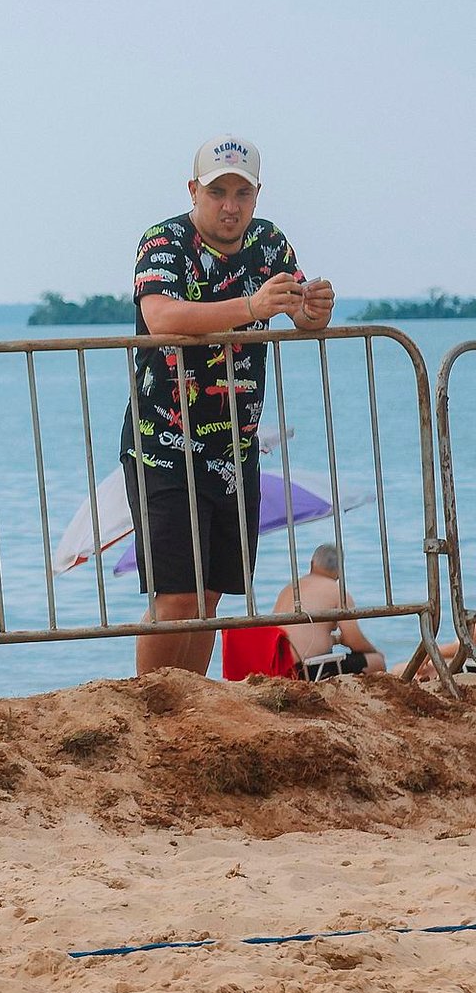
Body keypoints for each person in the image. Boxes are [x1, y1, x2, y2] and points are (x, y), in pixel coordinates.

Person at [122, 136, 335, 676]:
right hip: (161, 444)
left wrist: (315, 310)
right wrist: (252, 306)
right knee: (176, 595)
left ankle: (191, 702)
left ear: (257, 194)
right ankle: (148, 705)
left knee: (211, 596)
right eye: (218, 192)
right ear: (194, 190)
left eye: (242, 193)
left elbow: (300, 316)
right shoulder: (164, 240)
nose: (230, 206)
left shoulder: (270, 242)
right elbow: (160, 318)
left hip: (236, 447)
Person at [272, 544, 385, 678]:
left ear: (312, 564)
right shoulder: (337, 591)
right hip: (306, 670)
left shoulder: (289, 589)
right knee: (377, 661)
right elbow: (353, 640)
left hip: (278, 667)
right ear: (340, 570)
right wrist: (375, 651)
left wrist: (333, 639)